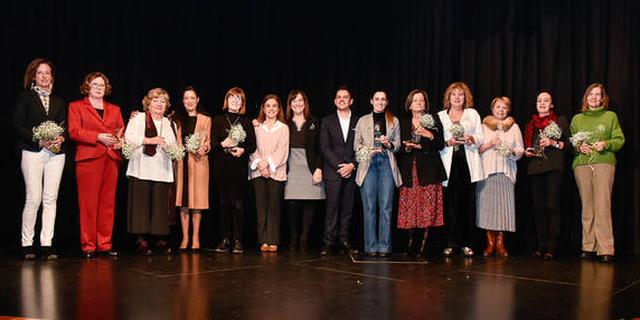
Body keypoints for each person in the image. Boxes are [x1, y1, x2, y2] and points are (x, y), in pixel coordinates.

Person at [13, 58, 66, 260]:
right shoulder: (25, 98)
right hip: (32, 151)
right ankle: (27, 243)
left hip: (56, 154)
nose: (44, 76)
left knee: (50, 199)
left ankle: (47, 244)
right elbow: (17, 126)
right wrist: (39, 140)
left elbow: (64, 125)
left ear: (52, 76)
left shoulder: (59, 101)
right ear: (33, 76)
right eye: (40, 73)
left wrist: (61, 137)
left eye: (47, 73)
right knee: (33, 198)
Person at [68, 72, 124, 258]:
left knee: (107, 204)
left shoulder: (114, 109)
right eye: (95, 84)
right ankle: (89, 245)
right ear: (87, 87)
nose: (99, 88)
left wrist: (119, 141)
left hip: (111, 158)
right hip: (89, 159)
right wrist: (98, 137)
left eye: (102, 85)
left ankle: (105, 244)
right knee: (88, 204)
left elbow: (120, 131)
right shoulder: (76, 107)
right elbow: (74, 131)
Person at [570, 83, 625, 263]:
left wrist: (606, 144)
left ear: (602, 98)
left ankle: (605, 248)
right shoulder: (577, 119)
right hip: (582, 164)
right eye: (590, 95)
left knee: (602, 205)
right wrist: (579, 147)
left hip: (603, 162)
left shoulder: (610, 116)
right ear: (586, 98)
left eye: (597, 95)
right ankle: (588, 246)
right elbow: (572, 145)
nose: (593, 98)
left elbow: (619, 140)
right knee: (587, 206)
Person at [124, 88, 178, 255]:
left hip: (161, 169)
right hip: (141, 167)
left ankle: (159, 238)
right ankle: (141, 239)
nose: (159, 104)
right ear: (148, 103)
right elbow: (129, 136)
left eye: (162, 101)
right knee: (141, 204)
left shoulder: (170, 123)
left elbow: (174, 146)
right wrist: (149, 140)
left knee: (159, 206)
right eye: (155, 100)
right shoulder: (138, 118)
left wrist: (168, 146)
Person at [397, 89, 446, 258]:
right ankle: (411, 242)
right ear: (409, 105)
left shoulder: (432, 119)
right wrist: (406, 147)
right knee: (410, 206)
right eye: (415, 100)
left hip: (429, 169)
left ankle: (424, 244)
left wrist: (428, 135)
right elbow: (398, 146)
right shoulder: (402, 122)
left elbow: (440, 144)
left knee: (427, 207)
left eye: (422, 100)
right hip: (409, 170)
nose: (419, 103)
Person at [437, 82, 484, 257]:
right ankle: (450, 243)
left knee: (468, 205)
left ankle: (467, 243)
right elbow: (436, 140)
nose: (457, 97)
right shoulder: (441, 116)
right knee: (450, 206)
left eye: (460, 94)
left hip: (467, 163)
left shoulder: (472, 114)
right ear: (448, 97)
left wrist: (471, 138)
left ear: (466, 97)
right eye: (454, 94)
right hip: (449, 164)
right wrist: (448, 142)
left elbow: (481, 136)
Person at [354, 90, 402, 257]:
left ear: (387, 102)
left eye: (383, 99)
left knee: (386, 207)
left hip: (386, 164)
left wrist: (388, 143)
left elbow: (398, 146)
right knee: (369, 207)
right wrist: (368, 150)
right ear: (371, 101)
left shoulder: (393, 120)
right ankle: (371, 246)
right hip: (369, 164)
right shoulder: (363, 120)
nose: (380, 102)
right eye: (377, 99)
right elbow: (356, 145)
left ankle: (384, 247)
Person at [524, 91, 569, 259]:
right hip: (535, 168)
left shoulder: (559, 121)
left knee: (552, 206)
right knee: (538, 208)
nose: (542, 103)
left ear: (551, 105)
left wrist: (553, 143)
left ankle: (552, 247)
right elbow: (528, 146)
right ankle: (540, 245)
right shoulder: (530, 124)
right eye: (539, 100)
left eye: (546, 100)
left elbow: (569, 146)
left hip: (553, 168)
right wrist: (528, 152)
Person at [476, 97, 524, 257]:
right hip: (487, 172)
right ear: (492, 108)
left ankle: (500, 243)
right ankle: (490, 243)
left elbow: (520, 150)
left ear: (508, 110)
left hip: (505, 172)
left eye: (504, 108)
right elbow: (476, 149)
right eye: (498, 107)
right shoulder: (483, 127)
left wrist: (510, 152)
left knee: (504, 208)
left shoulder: (514, 127)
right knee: (488, 209)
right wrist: (490, 144)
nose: (501, 110)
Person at [211, 87, 256, 254]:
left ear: (242, 103)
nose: (235, 101)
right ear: (227, 100)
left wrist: (243, 150)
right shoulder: (218, 120)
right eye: (232, 98)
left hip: (238, 168)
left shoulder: (247, 121)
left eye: (239, 99)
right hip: (221, 167)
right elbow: (213, 144)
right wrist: (223, 144)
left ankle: (237, 240)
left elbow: (252, 145)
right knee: (223, 204)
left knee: (237, 204)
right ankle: (224, 239)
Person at [283, 90, 325, 251]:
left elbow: (320, 147)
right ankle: (294, 237)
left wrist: (319, 168)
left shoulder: (314, 121)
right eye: (294, 101)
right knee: (292, 202)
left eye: (300, 100)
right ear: (290, 104)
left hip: (311, 165)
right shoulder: (284, 122)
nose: (298, 103)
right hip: (290, 164)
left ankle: (304, 238)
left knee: (310, 202)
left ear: (305, 102)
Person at [320, 87, 359, 256]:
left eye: (345, 97)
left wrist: (352, 165)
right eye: (339, 97)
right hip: (333, 172)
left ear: (351, 101)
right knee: (332, 208)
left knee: (348, 209)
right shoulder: (327, 121)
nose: (342, 100)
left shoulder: (359, 121)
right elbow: (325, 147)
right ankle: (329, 242)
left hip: (352, 171)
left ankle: (344, 240)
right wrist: (340, 166)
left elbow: (363, 147)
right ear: (335, 101)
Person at [249, 94, 289, 252]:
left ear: (278, 109)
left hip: (276, 172)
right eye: (268, 106)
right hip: (259, 172)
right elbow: (253, 148)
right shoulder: (257, 127)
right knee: (261, 208)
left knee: (274, 207)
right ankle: (263, 240)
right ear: (263, 109)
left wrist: (268, 164)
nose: (271, 109)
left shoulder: (283, 128)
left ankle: (273, 240)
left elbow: (282, 150)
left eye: (274, 106)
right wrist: (260, 165)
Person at [174, 86, 211, 251]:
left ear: (197, 100)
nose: (189, 101)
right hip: (182, 163)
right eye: (186, 98)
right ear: (183, 101)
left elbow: (209, 140)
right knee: (184, 201)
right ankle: (185, 237)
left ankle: (196, 237)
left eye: (192, 98)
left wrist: (205, 147)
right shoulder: (176, 119)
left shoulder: (205, 119)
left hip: (199, 162)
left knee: (197, 201)